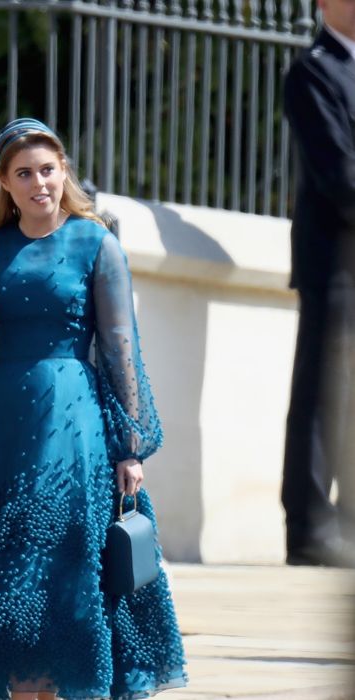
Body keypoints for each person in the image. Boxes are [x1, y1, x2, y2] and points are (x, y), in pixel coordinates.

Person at [0, 119, 187, 699]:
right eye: (24, 173)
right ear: (4, 182)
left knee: (57, 568)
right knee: (0, 574)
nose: (39, 184)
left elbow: (120, 348)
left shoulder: (96, 243)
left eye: (48, 170)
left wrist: (130, 448)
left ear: (64, 173)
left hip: (74, 430)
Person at [280, 0, 355, 568]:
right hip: (335, 263)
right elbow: (339, 172)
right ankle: (309, 527)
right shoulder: (312, 71)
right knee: (322, 392)